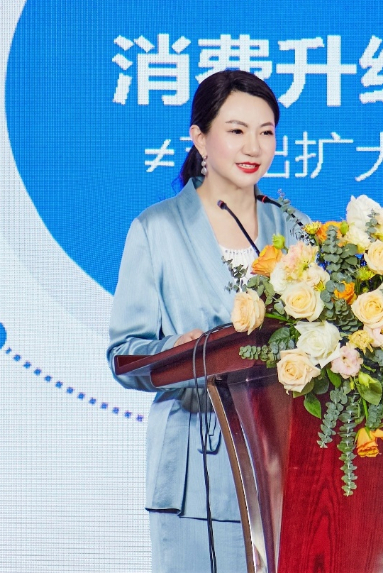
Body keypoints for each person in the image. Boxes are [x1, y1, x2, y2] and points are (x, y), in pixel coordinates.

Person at [107, 70, 301, 573]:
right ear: (199, 138)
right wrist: (182, 350)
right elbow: (124, 354)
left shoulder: (293, 228)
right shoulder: (156, 229)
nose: (253, 146)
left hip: (284, 460)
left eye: (266, 132)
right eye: (236, 130)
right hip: (197, 463)